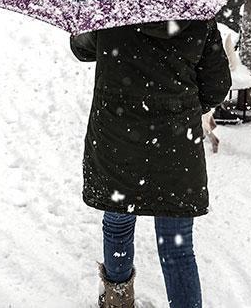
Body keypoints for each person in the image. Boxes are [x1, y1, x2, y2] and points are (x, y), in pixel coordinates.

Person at [71, 18, 231, 308]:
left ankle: (117, 299)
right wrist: (182, 108)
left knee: (118, 221)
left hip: (118, 140)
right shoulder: (197, 16)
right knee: (177, 246)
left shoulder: (114, 8)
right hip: (176, 147)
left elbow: (81, 48)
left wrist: (96, 24)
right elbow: (217, 86)